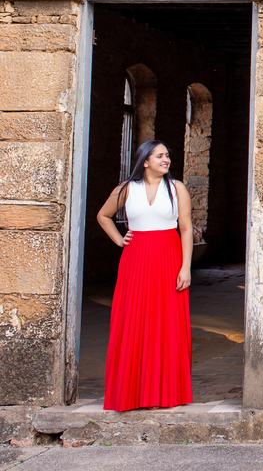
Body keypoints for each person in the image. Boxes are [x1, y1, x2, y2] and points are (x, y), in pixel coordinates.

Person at [96, 140, 194, 411]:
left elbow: (185, 229)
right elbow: (103, 215)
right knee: (133, 319)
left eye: (168, 155)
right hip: (135, 260)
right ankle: (131, 393)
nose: (166, 160)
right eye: (160, 156)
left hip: (168, 258)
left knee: (167, 321)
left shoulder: (177, 189)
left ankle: (165, 393)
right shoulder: (127, 189)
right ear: (145, 161)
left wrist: (185, 267)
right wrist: (119, 240)